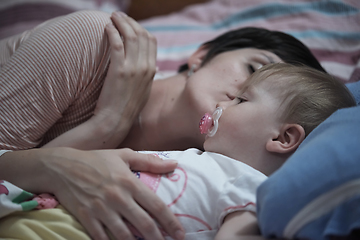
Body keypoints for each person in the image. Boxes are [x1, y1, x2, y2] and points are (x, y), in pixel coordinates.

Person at [0, 10, 328, 240]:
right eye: (255, 68)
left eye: (272, 98)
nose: (250, 89)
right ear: (201, 55)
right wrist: (110, 123)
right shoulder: (101, 43)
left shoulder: (194, 183)